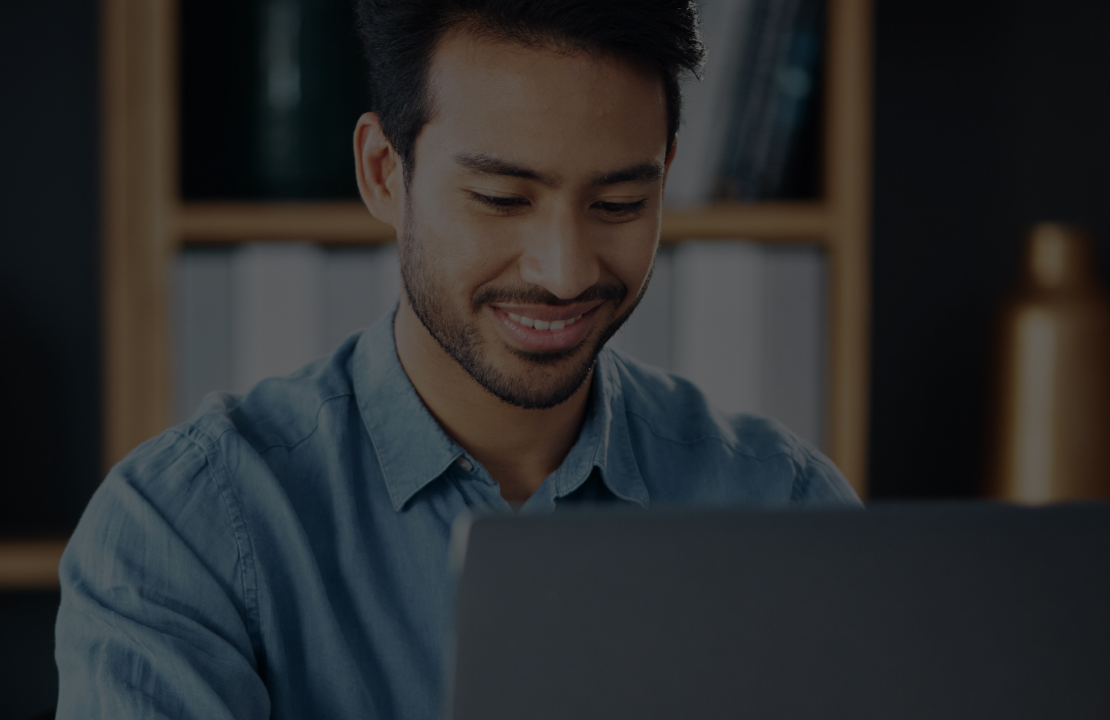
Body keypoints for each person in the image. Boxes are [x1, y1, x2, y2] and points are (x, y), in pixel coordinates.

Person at [54, 1, 860, 716]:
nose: (565, 270)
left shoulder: (784, 507)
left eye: (620, 205)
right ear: (383, 173)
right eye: (502, 200)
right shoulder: (186, 533)